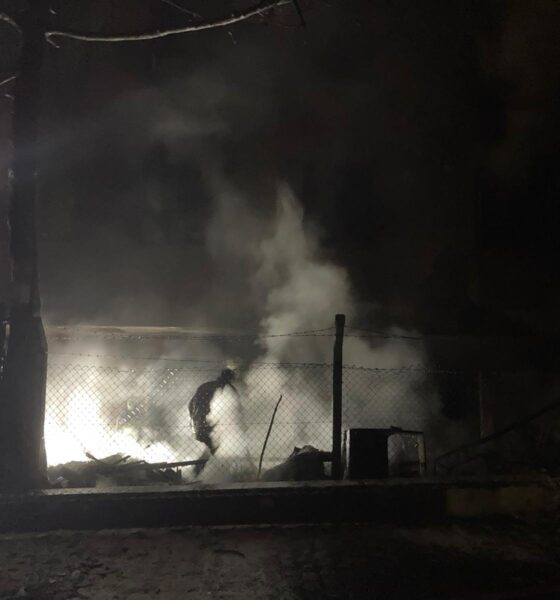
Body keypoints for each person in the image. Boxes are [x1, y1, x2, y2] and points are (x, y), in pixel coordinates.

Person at [188, 368, 237, 474]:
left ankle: (199, 472)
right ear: (229, 379)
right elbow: (233, 411)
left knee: (212, 448)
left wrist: (194, 419)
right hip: (212, 425)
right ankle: (204, 472)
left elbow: (190, 405)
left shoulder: (205, 386)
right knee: (218, 447)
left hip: (200, 424)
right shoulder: (228, 390)